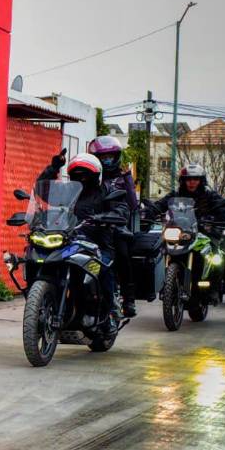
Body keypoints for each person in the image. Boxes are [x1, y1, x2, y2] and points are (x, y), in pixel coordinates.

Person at [37, 150, 129, 316]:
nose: (81, 179)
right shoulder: (67, 192)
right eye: (77, 176)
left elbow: (122, 210)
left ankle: (110, 310)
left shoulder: (106, 192)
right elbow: (43, 190)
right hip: (69, 243)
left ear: (95, 176)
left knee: (102, 268)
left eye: (85, 175)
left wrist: (102, 217)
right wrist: (54, 167)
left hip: (98, 244)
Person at [88, 136, 139, 317]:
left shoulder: (121, 177)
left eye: (110, 156)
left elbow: (132, 205)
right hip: (90, 225)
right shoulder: (90, 176)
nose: (107, 160)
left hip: (115, 226)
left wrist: (128, 179)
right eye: (103, 157)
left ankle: (129, 299)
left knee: (123, 255)